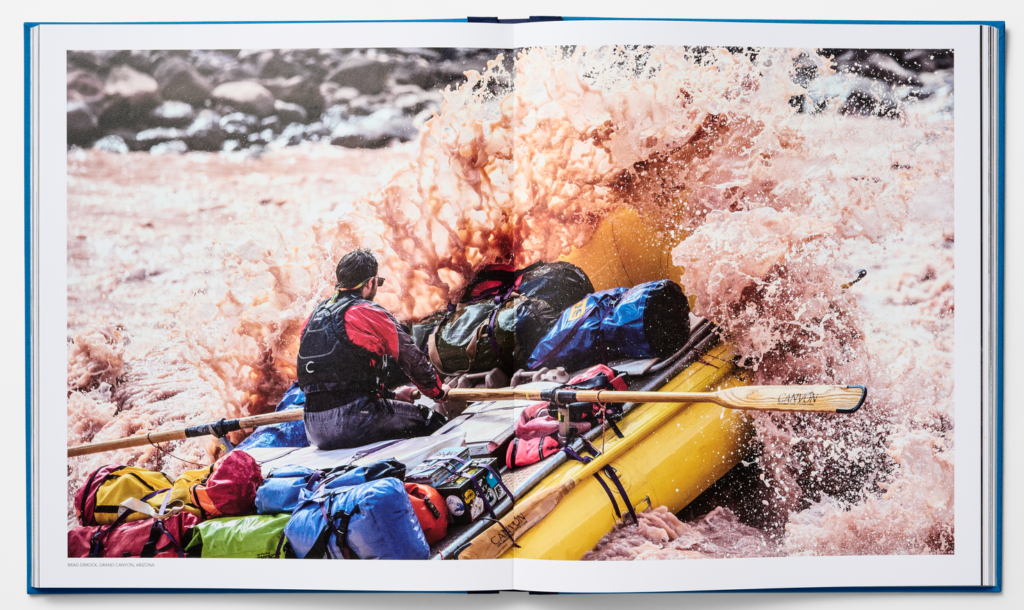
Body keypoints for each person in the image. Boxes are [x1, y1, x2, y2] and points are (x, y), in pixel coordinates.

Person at [297, 249, 451, 450]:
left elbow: (336, 375)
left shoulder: (311, 319)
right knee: (433, 422)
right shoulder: (366, 311)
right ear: (370, 282)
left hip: (313, 428)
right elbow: (411, 357)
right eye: (378, 282)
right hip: (353, 420)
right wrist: (437, 392)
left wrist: (393, 396)